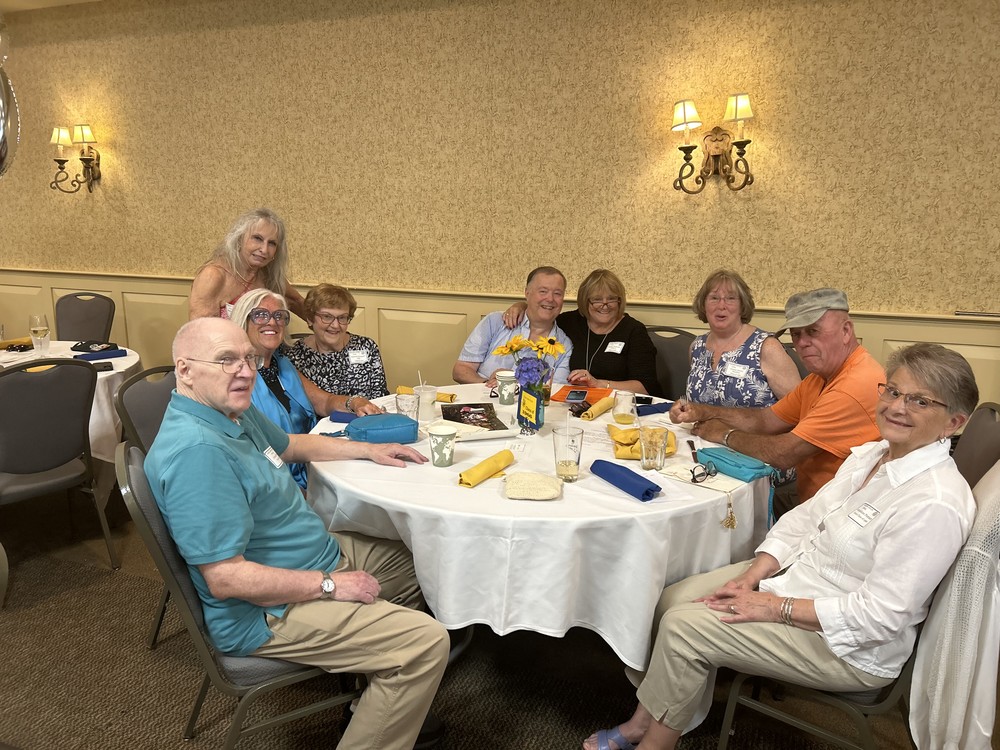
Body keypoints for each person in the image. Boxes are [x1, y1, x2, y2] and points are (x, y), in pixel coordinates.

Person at [584, 342, 979, 750]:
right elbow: (807, 518)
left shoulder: (933, 503)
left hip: (847, 646)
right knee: (671, 599)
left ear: (953, 423)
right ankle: (650, 718)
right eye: (893, 391)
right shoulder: (874, 455)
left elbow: (878, 618)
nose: (896, 407)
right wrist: (752, 576)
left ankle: (654, 741)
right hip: (801, 582)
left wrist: (774, 607)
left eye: (919, 401)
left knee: (684, 629)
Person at [145, 317, 445, 750]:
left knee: (419, 555)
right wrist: (330, 585)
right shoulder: (199, 452)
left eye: (248, 359)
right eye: (227, 360)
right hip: (266, 610)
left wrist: (368, 450)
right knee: (425, 645)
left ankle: (379, 696)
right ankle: (396, 679)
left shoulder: (229, 413)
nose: (245, 371)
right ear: (185, 369)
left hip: (314, 556)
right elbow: (226, 579)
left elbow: (289, 445)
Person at [671, 288, 884, 513]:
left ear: (846, 331)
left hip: (838, 514)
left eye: (813, 331)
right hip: (814, 501)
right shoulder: (820, 377)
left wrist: (725, 434)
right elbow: (766, 420)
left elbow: (784, 453)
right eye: (796, 334)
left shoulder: (853, 385)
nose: (802, 343)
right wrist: (704, 411)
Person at [230, 289, 382, 490]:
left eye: (279, 316)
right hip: (275, 482)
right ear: (243, 320)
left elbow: (323, 401)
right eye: (260, 315)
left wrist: (354, 402)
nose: (272, 322)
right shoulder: (236, 376)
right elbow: (246, 453)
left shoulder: (283, 365)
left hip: (309, 466)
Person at [502, 269, 658, 395]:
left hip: (618, 406)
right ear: (585, 300)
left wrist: (598, 384)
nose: (605, 305)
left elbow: (646, 387)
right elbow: (541, 314)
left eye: (611, 298)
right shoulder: (569, 322)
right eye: (597, 299)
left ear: (619, 300)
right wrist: (521, 306)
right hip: (573, 403)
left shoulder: (633, 331)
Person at [686, 269, 801, 406]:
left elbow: (798, 407)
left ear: (742, 305)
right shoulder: (697, 347)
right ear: (703, 305)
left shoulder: (767, 347)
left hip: (759, 421)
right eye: (714, 298)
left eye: (730, 298)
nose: (721, 306)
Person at [452, 266, 572, 387]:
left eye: (557, 293)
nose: (550, 299)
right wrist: (489, 385)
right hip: (481, 396)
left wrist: (513, 384)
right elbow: (461, 370)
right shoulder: (495, 322)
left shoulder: (565, 346)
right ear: (527, 293)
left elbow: (556, 389)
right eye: (543, 291)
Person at [189, 207, 307, 321]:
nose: (264, 250)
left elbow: (299, 304)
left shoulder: (269, 276)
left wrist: (317, 325)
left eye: (272, 243)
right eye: (257, 238)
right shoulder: (212, 276)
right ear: (239, 239)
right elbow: (201, 331)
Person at [285, 283, 390, 402]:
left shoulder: (366, 347)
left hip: (366, 413)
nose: (335, 325)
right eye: (327, 317)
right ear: (310, 319)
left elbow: (380, 397)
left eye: (342, 318)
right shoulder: (295, 355)